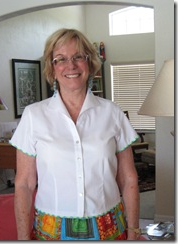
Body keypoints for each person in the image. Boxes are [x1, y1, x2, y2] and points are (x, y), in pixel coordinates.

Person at [10, 28, 140, 241]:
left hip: (109, 230)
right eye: (60, 59)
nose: (71, 65)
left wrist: (134, 232)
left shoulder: (112, 113)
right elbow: (24, 184)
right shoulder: (33, 116)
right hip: (51, 233)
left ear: (89, 63)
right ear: (52, 69)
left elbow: (128, 178)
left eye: (78, 56)